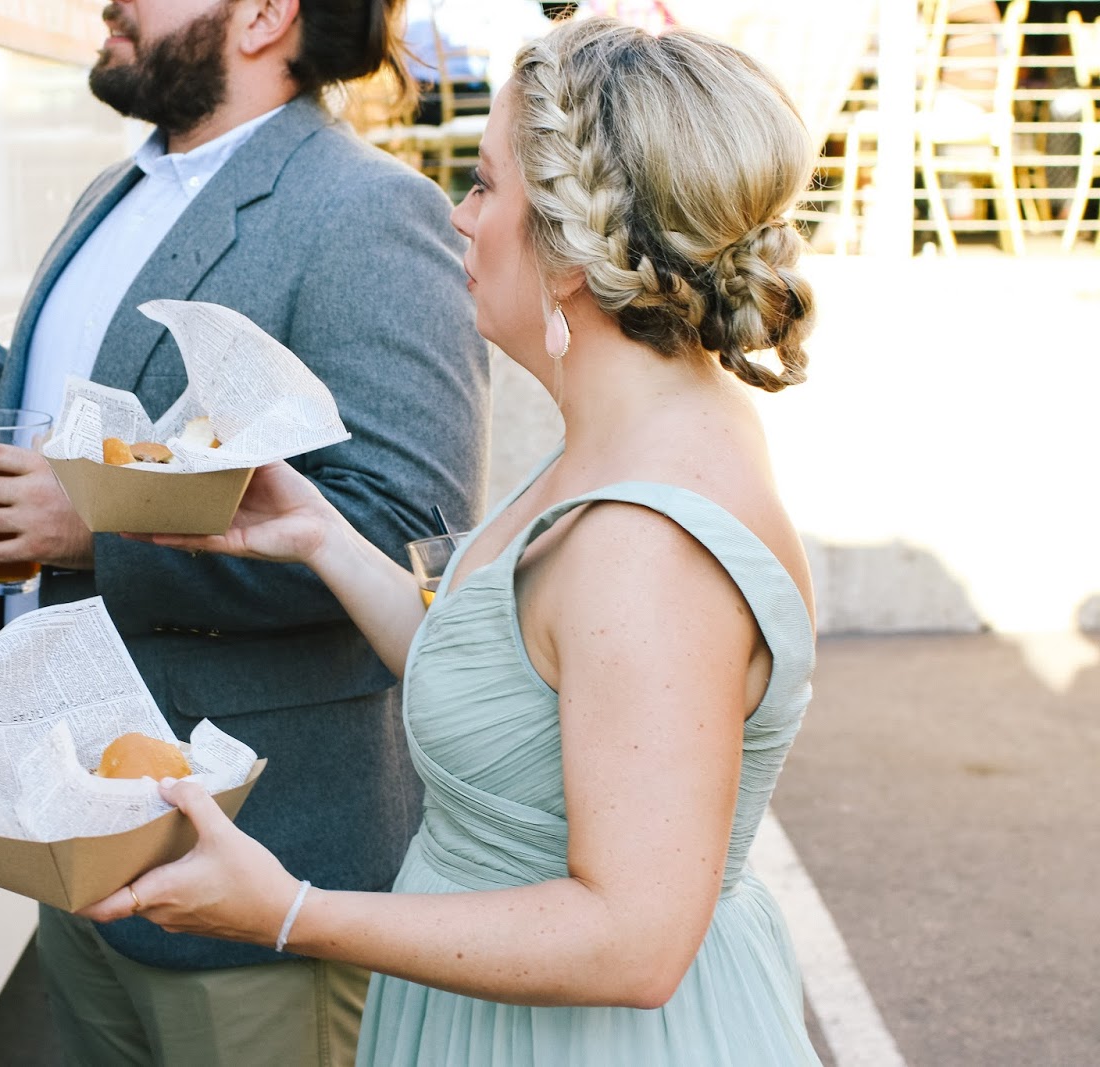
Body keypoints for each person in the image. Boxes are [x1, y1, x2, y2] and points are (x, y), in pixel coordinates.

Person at [82, 14, 824, 1065]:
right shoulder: (638, 429)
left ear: (570, 250)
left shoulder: (646, 547)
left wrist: (290, 911)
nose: (457, 217)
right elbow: (510, 682)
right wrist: (323, 539)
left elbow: (633, 943)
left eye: (481, 185)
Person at [0, 0, 491, 1063]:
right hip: (85, 846)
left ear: (265, 14)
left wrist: (96, 532)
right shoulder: (117, 191)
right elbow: (93, 442)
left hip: (261, 878)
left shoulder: (370, 211)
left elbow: (402, 531)